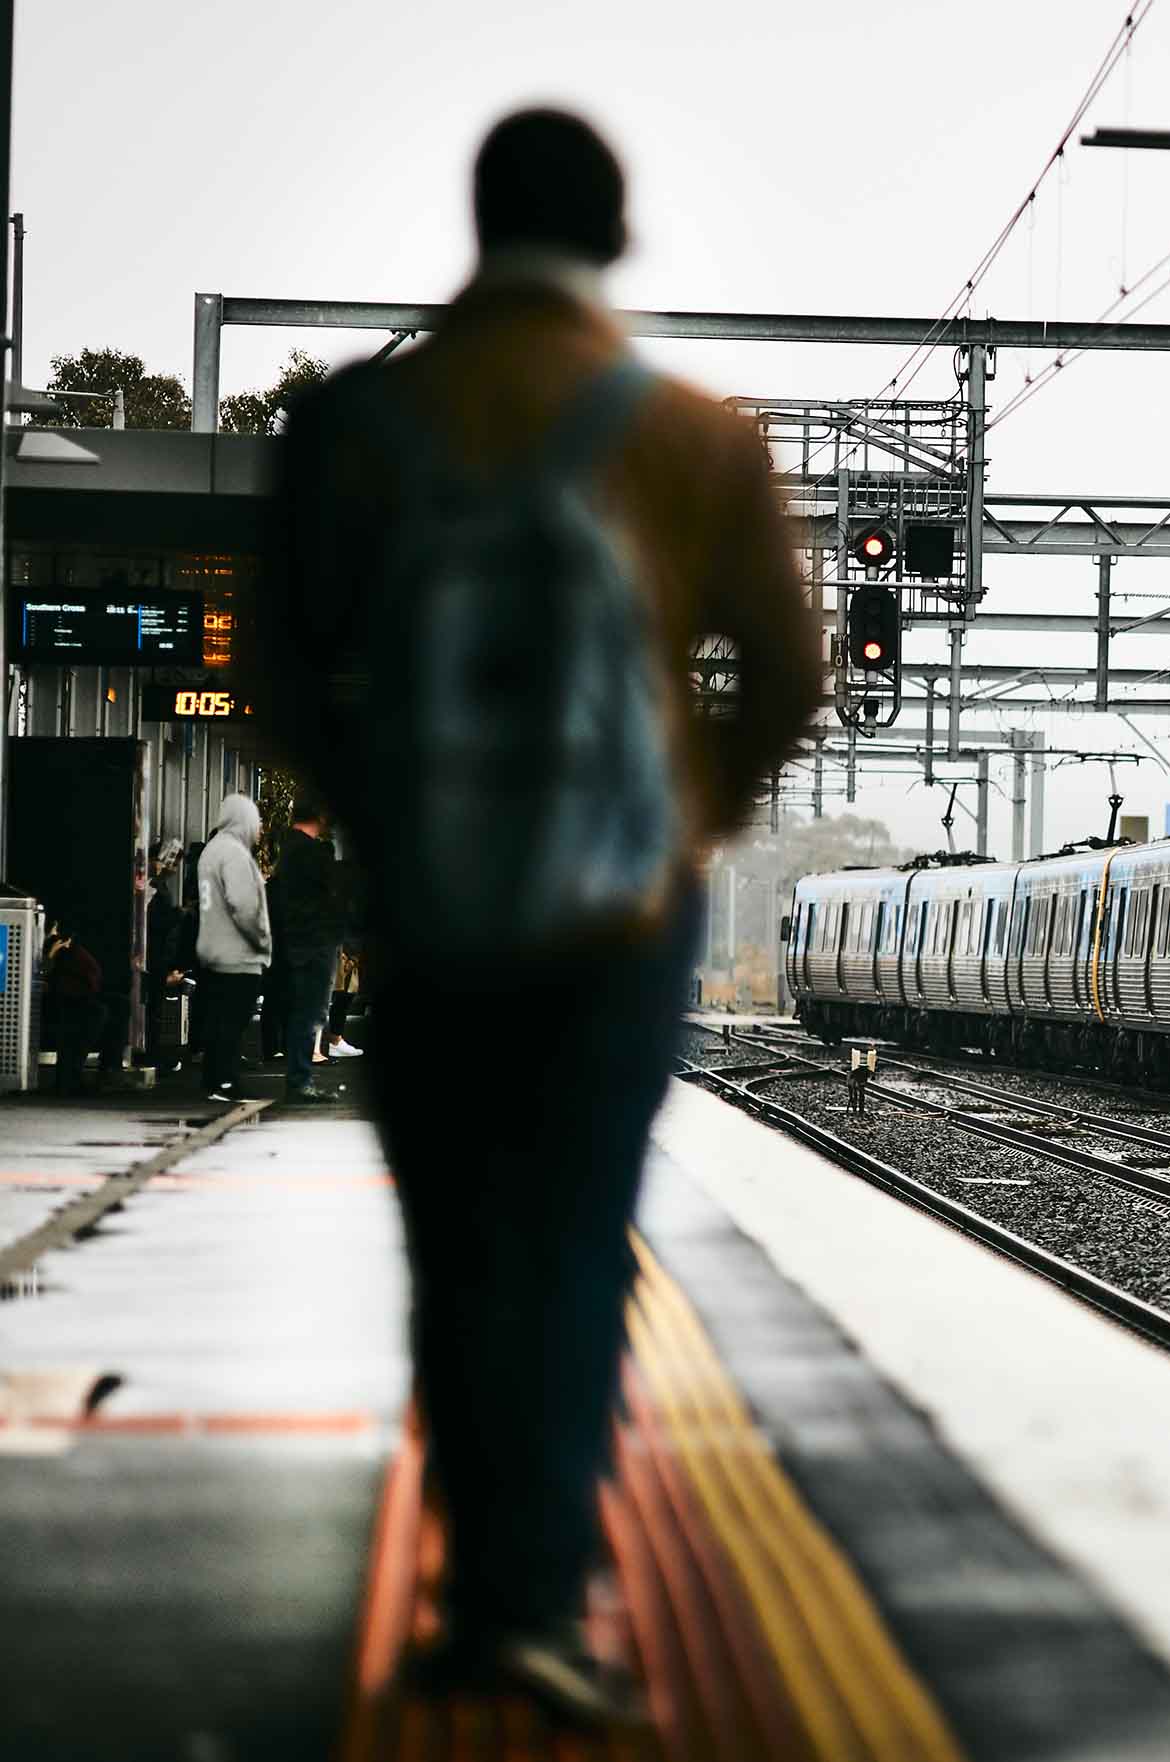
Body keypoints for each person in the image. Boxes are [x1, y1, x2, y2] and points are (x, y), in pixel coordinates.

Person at [252, 109, 819, 1723]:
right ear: (617, 235)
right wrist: (679, 829)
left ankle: (472, 1580)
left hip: (427, 912)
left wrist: (387, 821)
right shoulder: (696, 439)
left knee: (454, 1244)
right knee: (574, 1241)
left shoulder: (357, 424)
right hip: (615, 931)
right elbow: (786, 677)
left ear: (476, 221)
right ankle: (538, 1597)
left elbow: (279, 675)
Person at [194, 796, 272, 1102]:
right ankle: (225, 1082)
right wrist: (262, 939)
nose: (259, 829)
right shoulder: (234, 854)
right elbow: (244, 906)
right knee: (233, 1022)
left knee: (217, 1020)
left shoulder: (211, 851)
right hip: (237, 954)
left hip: (212, 950)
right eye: (256, 821)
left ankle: (214, 1080)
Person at [267, 796, 343, 1105]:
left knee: (303, 1010)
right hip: (314, 941)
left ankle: (300, 1077)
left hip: (297, 940)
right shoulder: (311, 853)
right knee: (309, 1011)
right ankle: (300, 1079)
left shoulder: (288, 850)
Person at [40, 920, 106, 1096]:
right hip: (69, 1002)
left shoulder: (68, 954)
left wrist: (52, 954)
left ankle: (69, 1080)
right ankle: (70, 1080)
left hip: (71, 1001)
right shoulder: (69, 954)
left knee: (74, 1033)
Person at [143, 841, 192, 1074]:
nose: (172, 867)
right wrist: (178, 914)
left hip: (158, 951)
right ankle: (151, 1053)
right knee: (153, 1006)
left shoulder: (156, 885)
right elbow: (158, 920)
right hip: (155, 951)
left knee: (155, 1006)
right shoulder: (154, 886)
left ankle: (152, 1052)